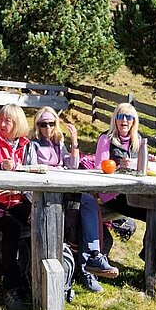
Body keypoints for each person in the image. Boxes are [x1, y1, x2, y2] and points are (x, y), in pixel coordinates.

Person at [28, 107, 119, 293]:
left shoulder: (58, 143)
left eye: (51, 123)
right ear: (37, 126)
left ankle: (94, 255)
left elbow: (72, 165)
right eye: (43, 124)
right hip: (44, 194)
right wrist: (55, 170)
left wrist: (75, 141)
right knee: (78, 211)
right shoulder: (33, 144)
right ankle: (84, 270)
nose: (47, 127)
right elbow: (31, 169)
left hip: (64, 190)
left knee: (88, 201)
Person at [0, 104, 31, 310]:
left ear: (18, 123)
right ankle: (11, 285)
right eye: (0, 119)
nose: (2, 124)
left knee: (41, 219)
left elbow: (33, 172)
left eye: (8, 121)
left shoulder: (27, 145)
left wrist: (16, 188)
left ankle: (38, 276)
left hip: (18, 196)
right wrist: (0, 166)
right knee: (12, 228)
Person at [94, 102, 147, 228]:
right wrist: (118, 168)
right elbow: (98, 168)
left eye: (128, 117)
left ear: (133, 121)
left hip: (132, 191)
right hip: (112, 194)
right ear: (115, 120)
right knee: (151, 214)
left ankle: (151, 248)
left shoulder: (138, 140)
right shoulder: (106, 138)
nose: (124, 120)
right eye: (120, 116)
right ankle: (151, 248)